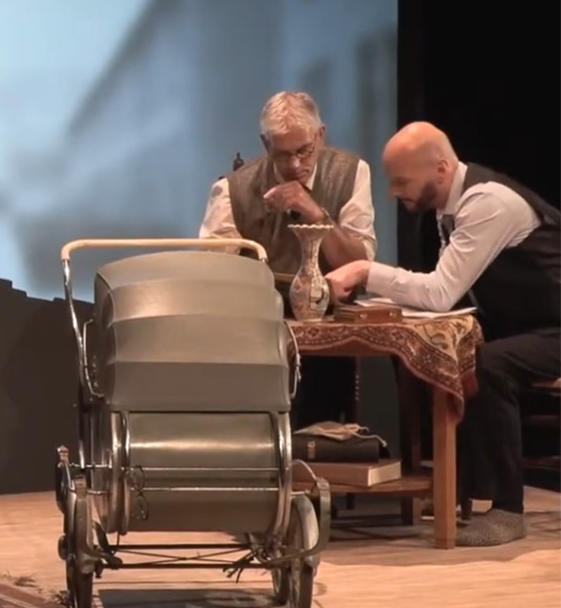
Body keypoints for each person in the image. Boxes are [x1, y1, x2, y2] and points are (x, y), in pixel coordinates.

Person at [326, 121, 560, 546]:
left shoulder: (488, 203)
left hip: (554, 327)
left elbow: (440, 292)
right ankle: (449, 484)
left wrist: (365, 271)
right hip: (531, 323)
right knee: (430, 349)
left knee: (491, 365)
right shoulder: (447, 207)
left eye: (401, 181)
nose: (393, 192)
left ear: (440, 169)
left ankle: (507, 509)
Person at [200, 91, 377, 427]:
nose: (295, 165)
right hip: (259, 340)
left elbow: (359, 264)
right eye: (283, 154)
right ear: (265, 144)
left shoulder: (352, 172)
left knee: (324, 427)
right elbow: (212, 279)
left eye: (304, 151)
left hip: (331, 342)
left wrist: (315, 212)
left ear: (320, 135)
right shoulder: (232, 191)